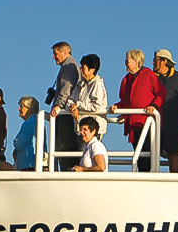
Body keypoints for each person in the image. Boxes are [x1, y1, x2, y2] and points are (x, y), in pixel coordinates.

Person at [110, 49, 166, 172]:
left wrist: (154, 106)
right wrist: (117, 107)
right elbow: (125, 101)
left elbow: (161, 93)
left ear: (137, 62)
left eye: (127, 60)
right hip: (133, 126)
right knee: (139, 156)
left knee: (146, 157)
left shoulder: (148, 75)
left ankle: (147, 179)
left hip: (146, 123)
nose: (125, 63)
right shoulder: (126, 79)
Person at [49, 41, 81, 171]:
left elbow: (66, 88)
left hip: (66, 114)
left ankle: (67, 170)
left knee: (64, 145)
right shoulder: (68, 66)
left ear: (64, 52)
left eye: (56, 53)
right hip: (66, 111)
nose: (54, 57)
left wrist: (58, 105)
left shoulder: (69, 67)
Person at [70, 54, 108, 140]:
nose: (81, 70)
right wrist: (73, 107)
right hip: (80, 127)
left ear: (92, 70)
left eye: (83, 68)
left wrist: (78, 105)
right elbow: (71, 100)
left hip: (92, 129)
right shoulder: (80, 83)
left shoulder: (97, 84)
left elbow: (96, 105)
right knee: (81, 153)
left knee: (90, 152)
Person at [13, 96, 45, 170]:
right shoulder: (38, 121)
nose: (19, 109)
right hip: (36, 163)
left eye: (21, 106)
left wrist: (15, 142)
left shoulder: (29, 122)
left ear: (29, 109)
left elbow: (19, 144)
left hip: (28, 164)